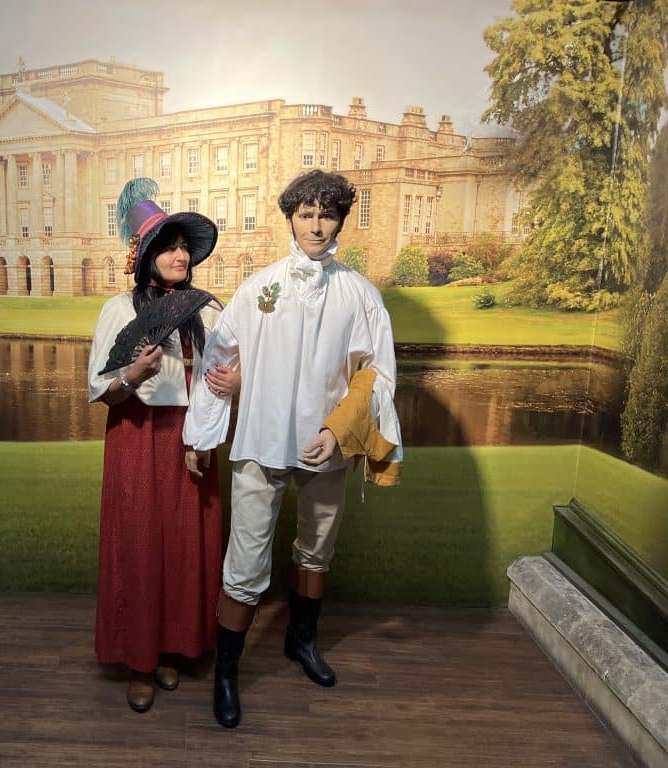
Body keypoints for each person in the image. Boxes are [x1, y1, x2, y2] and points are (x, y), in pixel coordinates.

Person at [182, 170, 403, 728]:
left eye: (327, 214)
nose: (317, 224)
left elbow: (376, 375)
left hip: (327, 446)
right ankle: (227, 674)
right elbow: (218, 364)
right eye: (306, 214)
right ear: (290, 219)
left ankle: (301, 642)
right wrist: (204, 433)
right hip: (260, 440)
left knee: (316, 552)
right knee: (245, 564)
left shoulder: (361, 295)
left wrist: (337, 429)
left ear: (340, 221)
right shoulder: (257, 288)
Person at [87, 179, 240, 713]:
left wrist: (228, 395)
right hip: (136, 438)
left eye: (183, 247)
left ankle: (173, 648)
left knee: (184, 545)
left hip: (193, 437)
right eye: (167, 246)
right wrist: (133, 371)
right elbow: (101, 393)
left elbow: (225, 378)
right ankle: (140, 661)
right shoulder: (117, 311)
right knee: (140, 545)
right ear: (146, 256)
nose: (179, 255)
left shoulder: (207, 315)